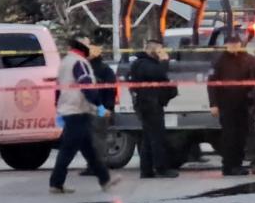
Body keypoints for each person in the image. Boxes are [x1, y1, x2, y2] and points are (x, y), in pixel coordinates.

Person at [48, 35, 121, 193]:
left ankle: (105, 179)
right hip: (77, 111)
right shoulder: (79, 63)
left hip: (70, 109)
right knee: (68, 149)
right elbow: (87, 88)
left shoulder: (66, 61)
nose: (90, 46)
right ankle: (56, 183)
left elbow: (58, 88)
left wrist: (58, 106)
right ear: (82, 46)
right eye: (88, 43)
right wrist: (100, 109)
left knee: (88, 149)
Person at [209, 34, 255, 176]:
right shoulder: (219, 60)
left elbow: (253, 74)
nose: (234, 46)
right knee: (229, 136)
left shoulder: (246, 58)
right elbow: (211, 83)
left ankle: (238, 164)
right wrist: (214, 104)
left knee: (241, 135)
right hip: (226, 103)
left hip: (242, 103)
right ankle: (229, 165)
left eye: (236, 44)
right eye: (231, 44)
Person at [130, 39, 178, 179]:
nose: (162, 53)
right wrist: (164, 61)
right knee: (157, 137)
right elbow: (158, 74)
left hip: (150, 104)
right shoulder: (144, 64)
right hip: (149, 105)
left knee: (148, 138)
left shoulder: (143, 63)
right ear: (153, 51)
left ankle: (147, 170)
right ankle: (161, 168)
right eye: (160, 51)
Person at [82, 42, 117, 176]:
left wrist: (107, 107)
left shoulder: (103, 70)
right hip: (91, 107)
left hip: (100, 107)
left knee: (98, 137)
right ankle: (93, 165)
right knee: (91, 138)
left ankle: (98, 165)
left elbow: (110, 90)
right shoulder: (88, 69)